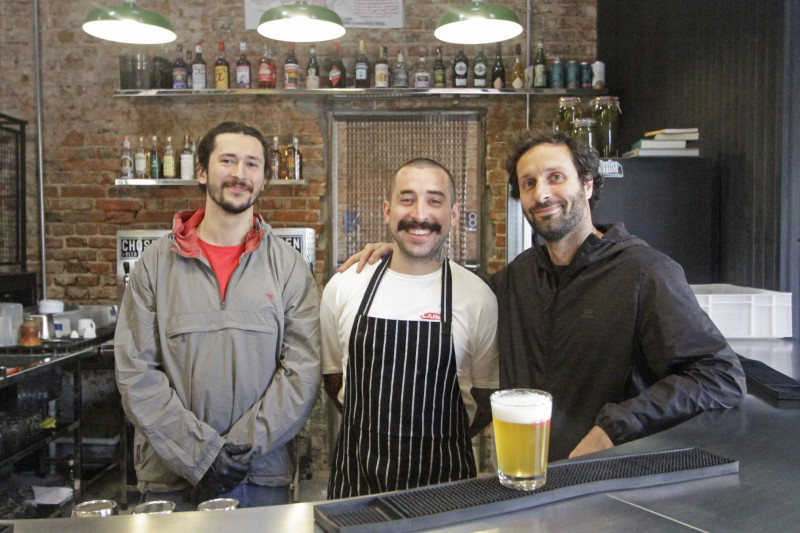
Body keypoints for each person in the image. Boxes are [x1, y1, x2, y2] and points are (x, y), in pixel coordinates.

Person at [340, 130, 746, 463]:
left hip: (612, 481)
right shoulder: (518, 277)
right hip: (529, 477)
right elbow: (455, 291)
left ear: (587, 184)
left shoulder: (646, 272)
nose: (542, 194)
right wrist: (406, 248)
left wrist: (614, 427)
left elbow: (719, 376)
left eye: (556, 177)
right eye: (529, 183)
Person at [114, 121, 321, 510]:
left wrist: (238, 451)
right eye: (228, 161)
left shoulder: (290, 268)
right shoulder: (154, 266)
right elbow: (135, 373)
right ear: (202, 171)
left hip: (260, 476)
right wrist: (201, 455)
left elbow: (302, 373)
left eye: (252, 164)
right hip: (172, 480)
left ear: (264, 180)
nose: (240, 174)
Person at [322, 158, 499, 499]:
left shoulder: (478, 298)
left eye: (435, 200)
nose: (420, 214)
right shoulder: (344, 286)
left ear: (454, 214)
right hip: (356, 487)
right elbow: (334, 382)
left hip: (446, 488)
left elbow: (486, 400)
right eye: (407, 199)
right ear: (387, 211)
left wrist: (444, 440)